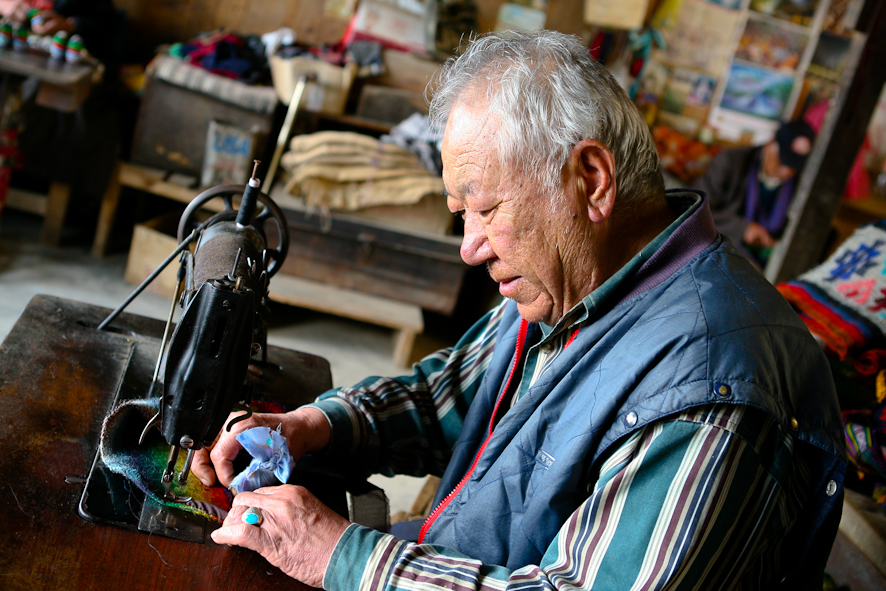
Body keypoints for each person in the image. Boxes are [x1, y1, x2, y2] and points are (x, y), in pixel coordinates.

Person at [193, 30, 846, 591]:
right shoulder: (573, 279)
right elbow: (445, 394)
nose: (470, 247)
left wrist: (348, 557)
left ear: (590, 180)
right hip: (457, 544)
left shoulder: (711, 387)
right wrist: (315, 425)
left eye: (486, 209)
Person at [692, 118, 816, 266]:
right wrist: (743, 228)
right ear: (769, 146)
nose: (787, 172)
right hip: (717, 253)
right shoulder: (730, 162)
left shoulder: (798, 184)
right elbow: (696, 212)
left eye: (794, 167)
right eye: (783, 162)